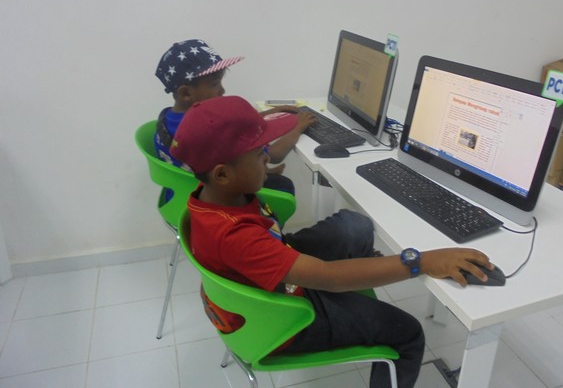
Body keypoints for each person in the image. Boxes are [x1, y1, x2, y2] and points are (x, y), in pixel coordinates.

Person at [170, 96, 495, 388]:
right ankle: (361, 290)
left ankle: (362, 275)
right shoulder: (234, 235)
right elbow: (328, 277)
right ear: (223, 174)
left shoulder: (218, 197)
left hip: (271, 272)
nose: (268, 156)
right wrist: (418, 262)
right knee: (407, 333)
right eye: (259, 153)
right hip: (285, 317)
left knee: (355, 227)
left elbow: (272, 240)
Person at [154, 38, 316, 194]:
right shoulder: (206, 132)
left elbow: (230, 125)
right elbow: (274, 155)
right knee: (282, 184)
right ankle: (265, 177)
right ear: (186, 93)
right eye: (215, 84)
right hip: (215, 195)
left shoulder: (169, 118)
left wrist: (269, 113)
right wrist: (298, 127)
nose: (222, 90)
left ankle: (265, 172)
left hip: (181, 191)